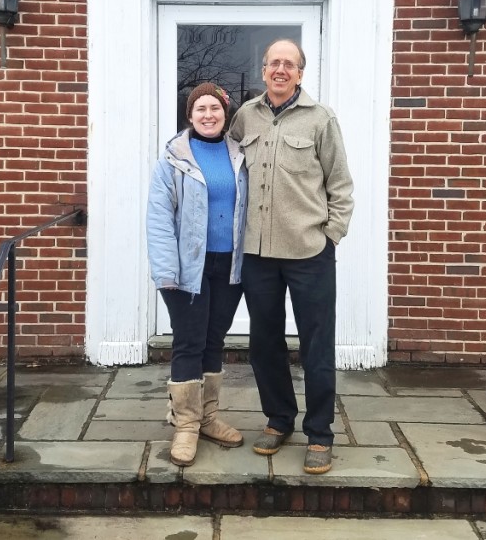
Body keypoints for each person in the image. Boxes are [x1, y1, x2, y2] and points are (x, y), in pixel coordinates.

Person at [228, 39, 354, 475]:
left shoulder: (322, 119)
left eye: (289, 64)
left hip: (308, 252)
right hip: (257, 253)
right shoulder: (246, 116)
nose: (280, 70)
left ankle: (320, 432)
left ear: (300, 73)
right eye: (273, 63)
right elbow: (227, 167)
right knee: (264, 344)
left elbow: (341, 186)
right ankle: (279, 419)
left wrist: (330, 236)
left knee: (317, 346)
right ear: (263, 71)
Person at [146, 82, 249, 467]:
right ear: (189, 116)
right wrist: (166, 271)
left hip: (229, 265)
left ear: (226, 113)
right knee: (189, 342)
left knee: (213, 340)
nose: (209, 114)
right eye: (200, 108)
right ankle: (185, 425)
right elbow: (158, 220)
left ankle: (207, 418)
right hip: (187, 268)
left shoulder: (240, 155)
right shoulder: (172, 161)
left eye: (216, 108)